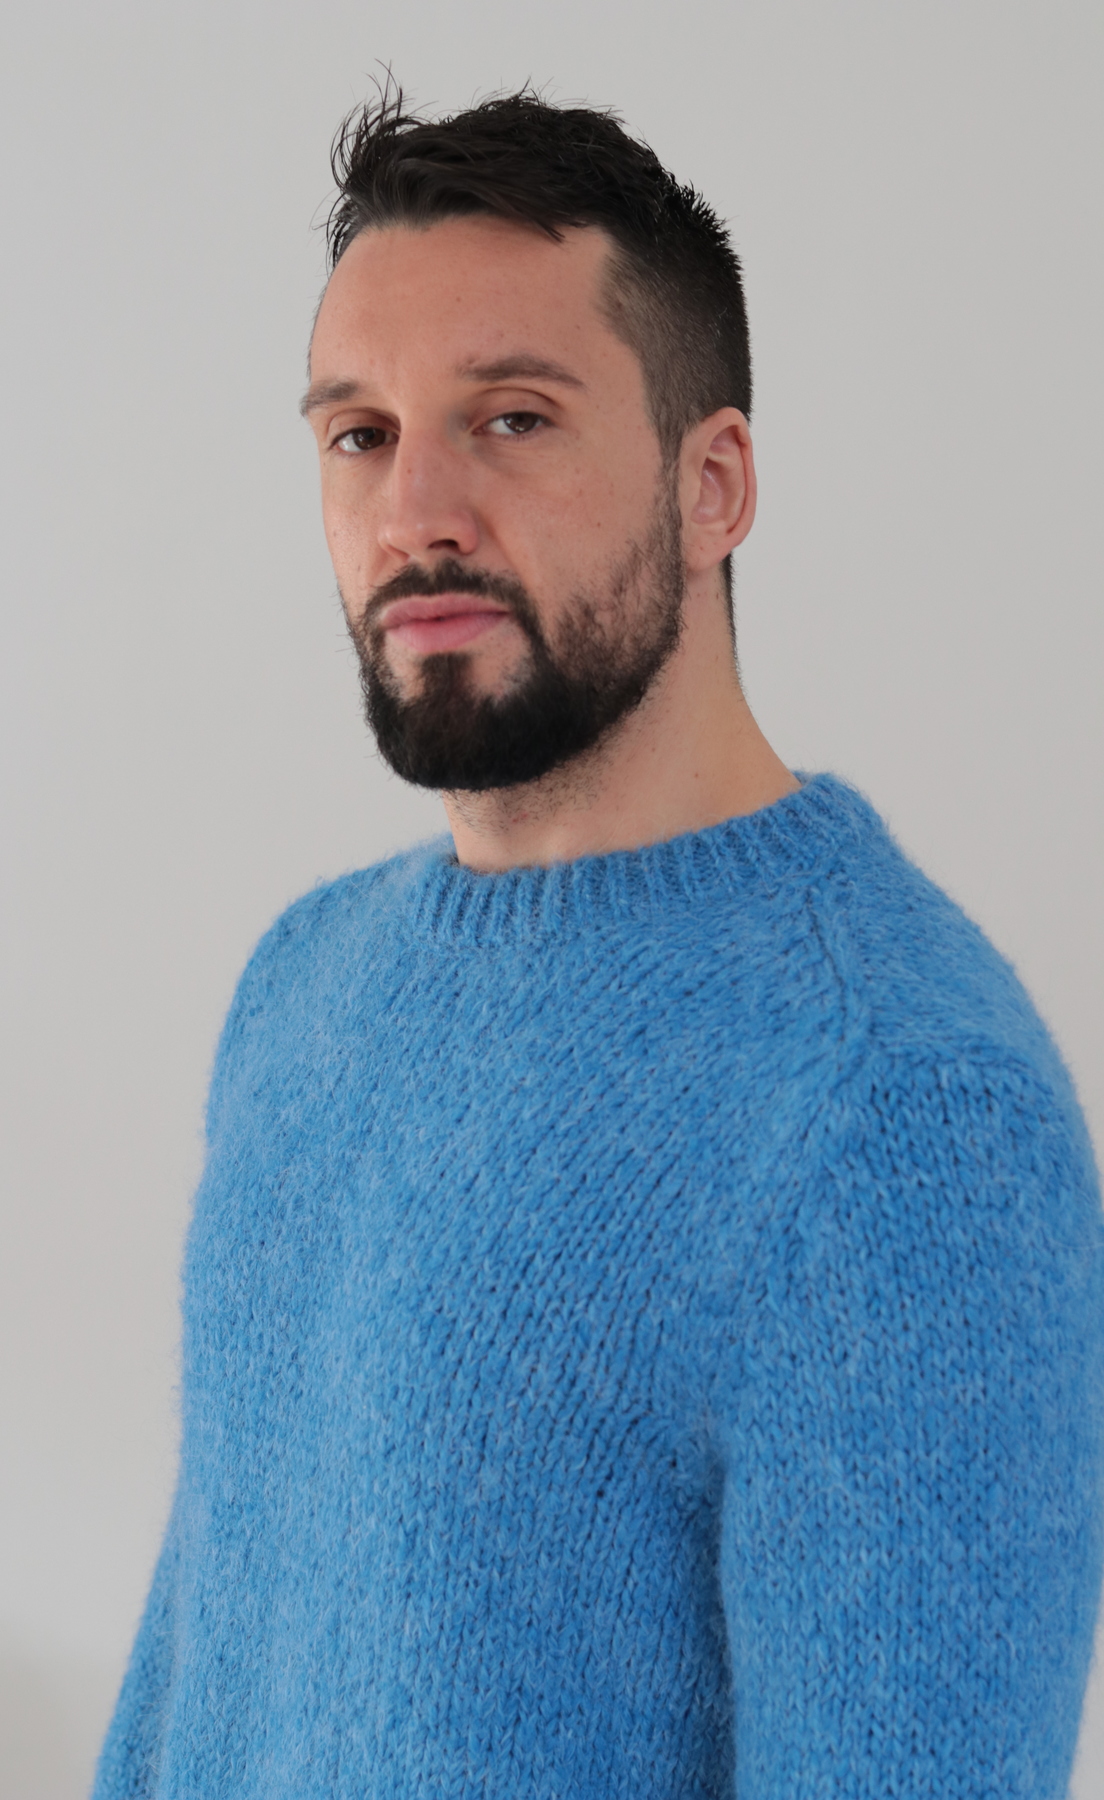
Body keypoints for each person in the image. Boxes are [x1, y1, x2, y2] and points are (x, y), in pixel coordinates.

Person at [93, 87, 1104, 1799]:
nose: (417, 509)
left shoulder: (904, 1111)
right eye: (360, 434)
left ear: (713, 485)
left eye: (512, 418)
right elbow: (201, 1667)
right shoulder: (305, 983)